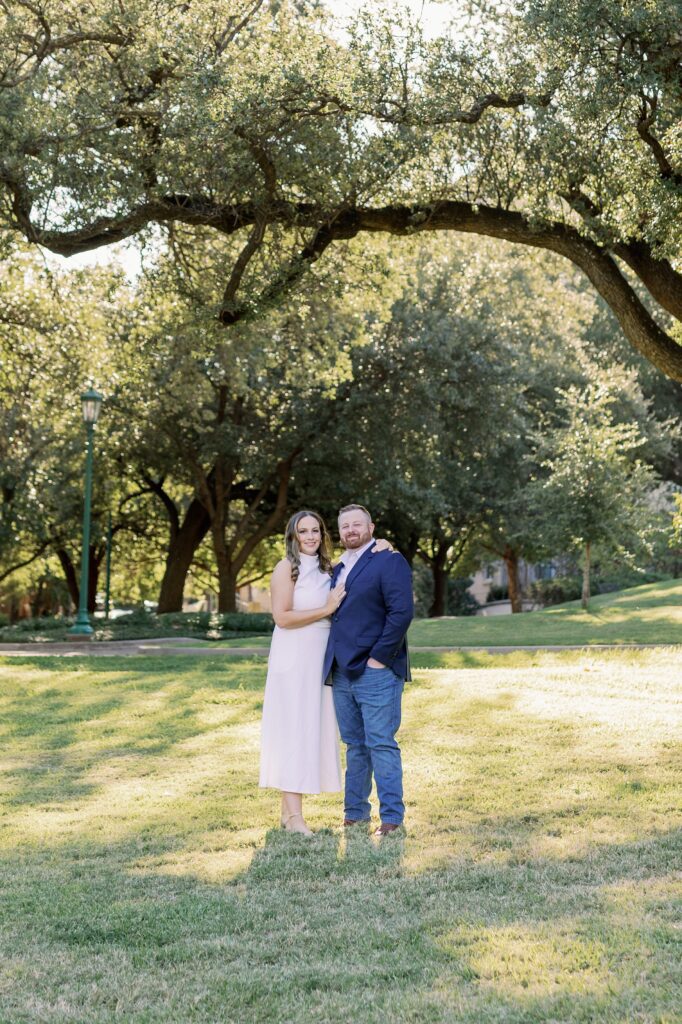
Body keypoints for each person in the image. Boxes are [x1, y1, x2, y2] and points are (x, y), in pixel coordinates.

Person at [259, 509, 392, 835]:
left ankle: (287, 813)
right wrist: (326, 609)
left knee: (307, 730)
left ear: (322, 535)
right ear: (292, 536)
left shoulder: (330, 569)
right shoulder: (284, 569)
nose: (310, 537)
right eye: (303, 531)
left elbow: (366, 559)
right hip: (292, 659)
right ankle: (295, 818)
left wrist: (386, 543)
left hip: (320, 661)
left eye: (315, 530)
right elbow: (282, 617)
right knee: (292, 729)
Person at [322, 504, 413, 836]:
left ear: (371, 527)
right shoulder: (335, 569)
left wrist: (379, 658)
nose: (350, 531)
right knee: (355, 744)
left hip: (376, 670)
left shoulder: (389, 560)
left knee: (380, 742)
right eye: (344, 526)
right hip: (342, 671)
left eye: (357, 524)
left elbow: (401, 613)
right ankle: (355, 813)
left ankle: (391, 818)